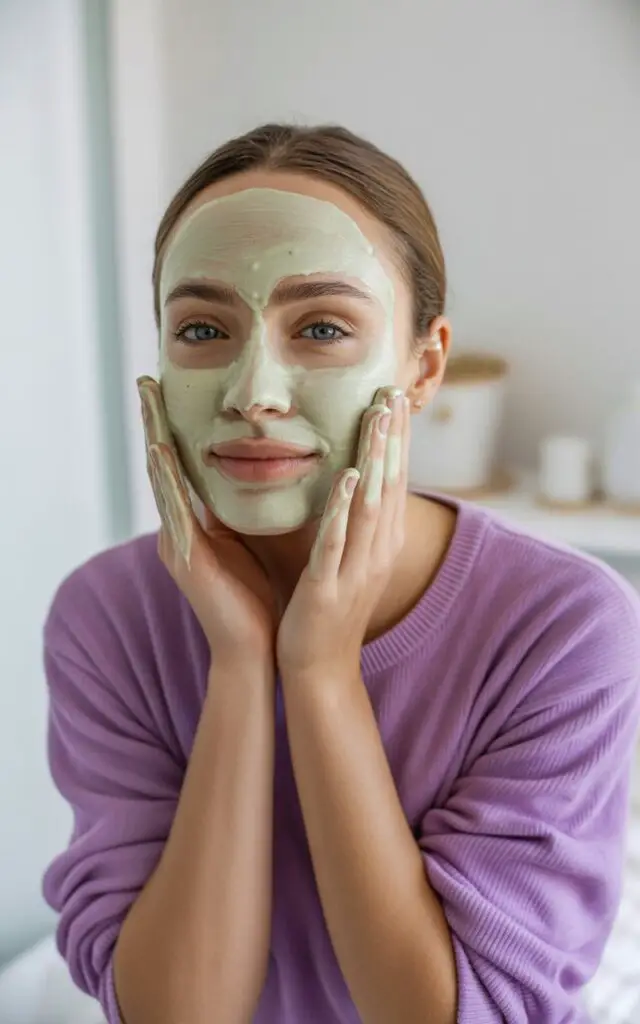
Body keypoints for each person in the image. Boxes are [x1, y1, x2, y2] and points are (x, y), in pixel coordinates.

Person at [42, 123, 640, 1024]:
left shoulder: (565, 624)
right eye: (202, 328)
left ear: (424, 363)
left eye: (322, 328)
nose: (254, 390)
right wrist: (241, 665)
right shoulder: (107, 615)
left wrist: (318, 671)